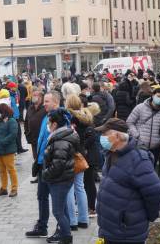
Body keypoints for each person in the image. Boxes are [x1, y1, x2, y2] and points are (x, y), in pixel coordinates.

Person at [96, 118, 160, 244]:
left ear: (116, 136)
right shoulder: (111, 153)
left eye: (104, 134)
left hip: (126, 233)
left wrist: (149, 215)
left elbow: (157, 191)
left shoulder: (138, 159)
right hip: (111, 229)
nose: (101, 138)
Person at [25, 91, 61, 240]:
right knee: (41, 196)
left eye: (47, 101)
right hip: (41, 163)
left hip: (52, 164)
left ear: (56, 102)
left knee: (58, 200)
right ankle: (42, 226)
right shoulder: (46, 116)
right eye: (44, 101)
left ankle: (61, 229)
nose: (44, 104)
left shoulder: (59, 118)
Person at [43, 108, 78, 244]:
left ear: (55, 124)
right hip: (63, 178)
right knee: (62, 208)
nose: (47, 125)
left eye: (48, 122)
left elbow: (58, 164)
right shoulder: (60, 136)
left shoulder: (60, 141)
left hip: (60, 179)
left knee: (57, 212)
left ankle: (66, 237)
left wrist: (46, 174)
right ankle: (66, 235)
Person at [127, 88, 160, 176]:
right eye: (158, 96)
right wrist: (137, 135)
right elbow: (130, 122)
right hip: (140, 145)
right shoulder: (140, 107)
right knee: (137, 170)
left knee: (149, 172)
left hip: (155, 148)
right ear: (153, 95)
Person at [65, 95, 91, 230]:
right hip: (81, 153)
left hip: (70, 153)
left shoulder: (69, 118)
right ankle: (84, 219)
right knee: (80, 187)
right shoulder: (85, 117)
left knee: (69, 188)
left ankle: (72, 221)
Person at [0, 103, 19, 197]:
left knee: (11, 169)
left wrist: (3, 141)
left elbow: (13, 134)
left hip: (7, 150)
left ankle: (14, 188)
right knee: (1, 170)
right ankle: (3, 188)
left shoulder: (11, 121)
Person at [24, 87, 46, 183]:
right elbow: (26, 121)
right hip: (33, 138)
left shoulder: (45, 108)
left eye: (36, 95)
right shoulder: (30, 107)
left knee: (43, 158)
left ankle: (44, 176)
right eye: (33, 95)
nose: (34, 97)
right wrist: (26, 132)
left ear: (41, 97)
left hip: (42, 138)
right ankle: (39, 176)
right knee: (36, 157)